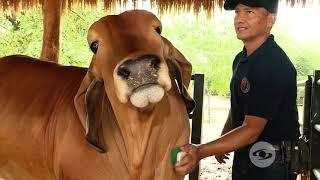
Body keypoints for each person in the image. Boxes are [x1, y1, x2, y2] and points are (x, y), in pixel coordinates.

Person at [174, 0, 301, 179]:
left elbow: (251, 130)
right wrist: (224, 138)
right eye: (237, 12)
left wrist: (201, 151)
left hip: (270, 159)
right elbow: (239, 105)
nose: (239, 19)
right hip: (244, 152)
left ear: (270, 20)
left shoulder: (273, 64)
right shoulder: (241, 59)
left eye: (249, 12)